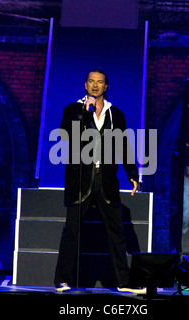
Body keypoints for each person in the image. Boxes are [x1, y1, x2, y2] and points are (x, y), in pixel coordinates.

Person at [54, 69, 145, 294]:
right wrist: (85, 113)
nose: (95, 86)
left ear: (106, 86)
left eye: (100, 82)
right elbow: (67, 135)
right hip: (80, 180)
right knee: (72, 231)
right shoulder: (73, 110)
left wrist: (132, 173)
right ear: (85, 85)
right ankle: (62, 279)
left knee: (116, 233)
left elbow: (123, 145)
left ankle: (124, 281)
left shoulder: (116, 114)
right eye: (91, 82)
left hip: (105, 180)